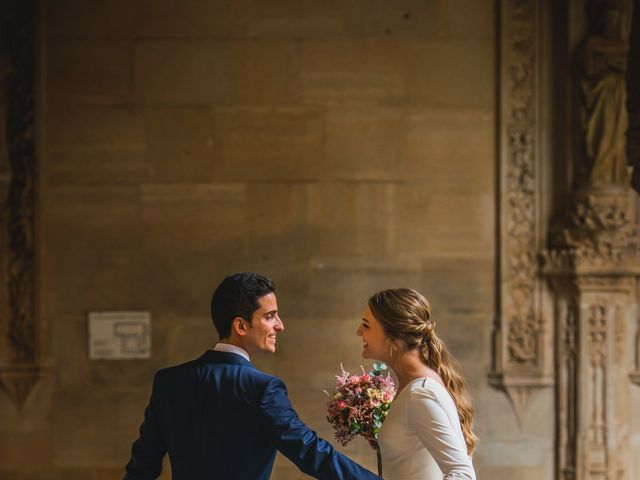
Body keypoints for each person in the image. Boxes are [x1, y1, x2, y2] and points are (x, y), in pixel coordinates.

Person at [124, 272, 380, 480]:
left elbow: (142, 467)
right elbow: (312, 453)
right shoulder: (263, 388)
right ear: (241, 326)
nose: (280, 325)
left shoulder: (169, 381)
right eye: (270, 316)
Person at [356, 288, 477, 480]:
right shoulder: (415, 387)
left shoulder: (419, 394)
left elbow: (463, 474)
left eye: (366, 325)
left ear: (394, 338)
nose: (358, 331)